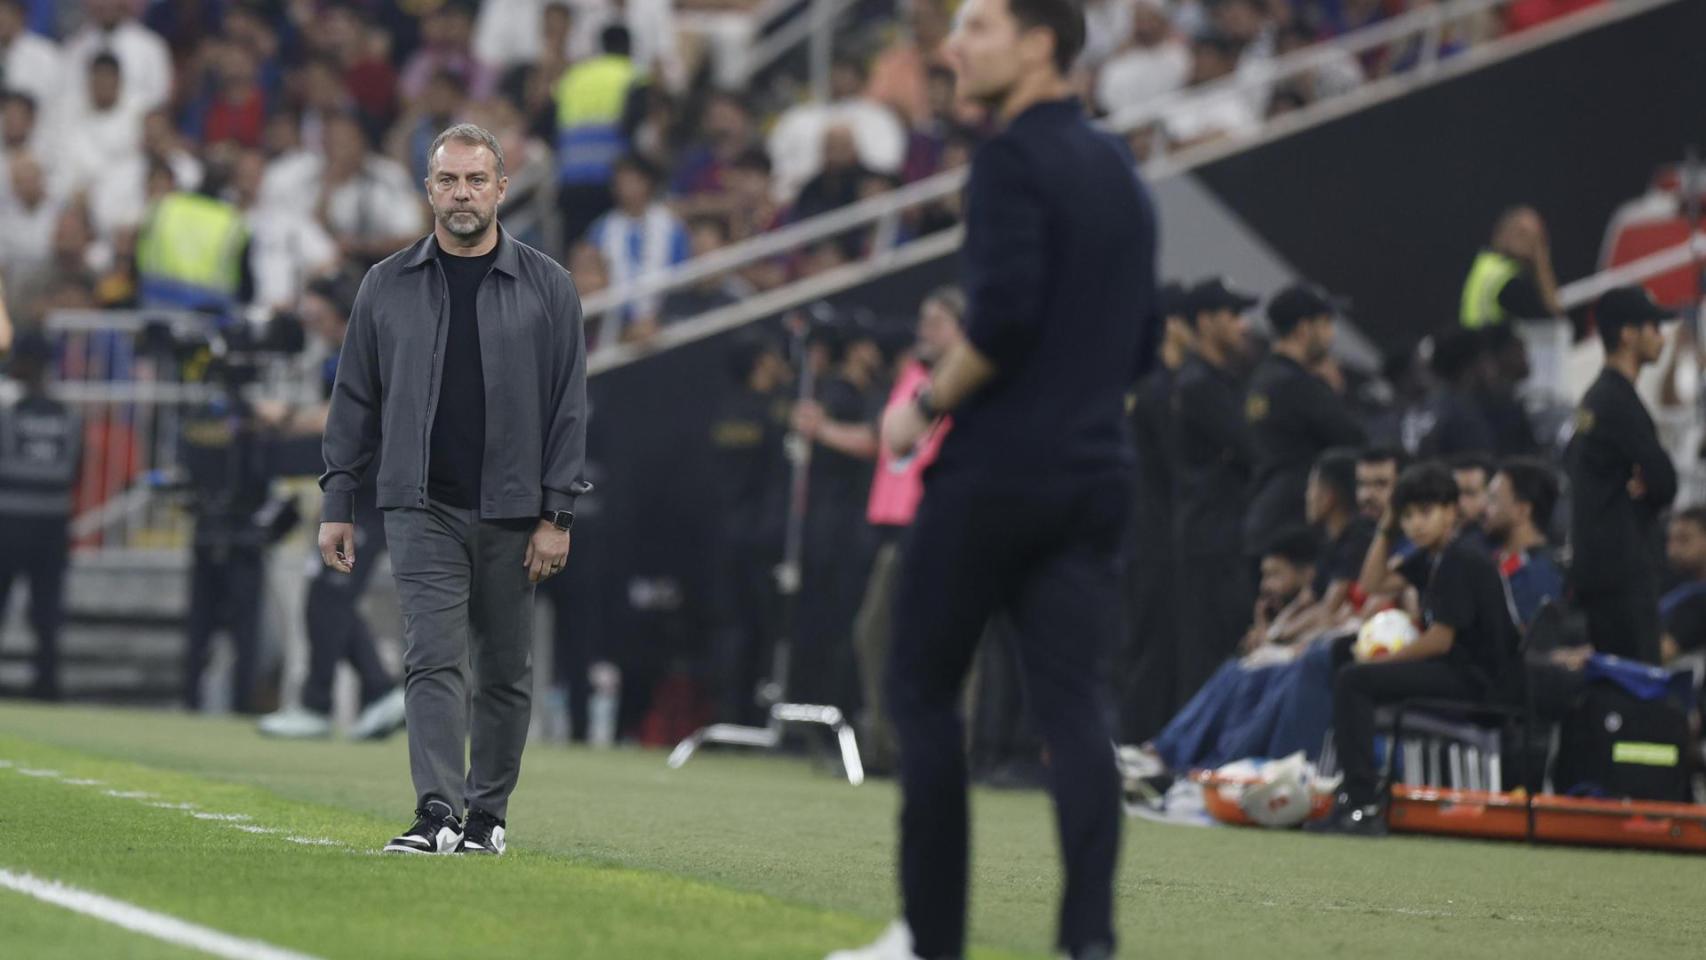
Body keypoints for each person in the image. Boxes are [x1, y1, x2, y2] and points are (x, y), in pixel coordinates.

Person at [833, 0, 1155, 953]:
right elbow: (1140, 339)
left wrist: (921, 407)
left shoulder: (1011, 158)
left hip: (996, 473)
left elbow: (1005, 318)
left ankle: (931, 941)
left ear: (1040, 42)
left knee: (922, 691)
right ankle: (1087, 942)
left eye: (977, 26)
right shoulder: (1120, 167)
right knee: (1076, 711)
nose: (953, 47)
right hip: (1098, 473)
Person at [319, 123, 590, 856]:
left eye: (476, 180)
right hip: (419, 504)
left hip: (514, 511)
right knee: (432, 658)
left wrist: (556, 513)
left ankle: (487, 816)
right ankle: (437, 810)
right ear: (427, 189)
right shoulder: (384, 285)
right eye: (448, 180)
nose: (462, 193)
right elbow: (354, 403)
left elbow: (569, 408)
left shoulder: (549, 286)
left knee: (505, 669)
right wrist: (337, 501)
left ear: (502, 188)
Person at [1315, 462, 1521, 836]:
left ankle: (1364, 802)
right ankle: (1352, 778)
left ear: (1451, 511)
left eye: (1425, 513)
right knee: (1342, 652)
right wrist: (1386, 526)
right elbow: (1372, 581)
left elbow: (1441, 639)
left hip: (1478, 679)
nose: (1416, 525)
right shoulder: (1431, 556)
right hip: (1452, 666)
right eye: (1408, 516)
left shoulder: (1463, 558)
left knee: (1354, 680)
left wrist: (1382, 661)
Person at [257, 272, 405, 741]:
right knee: (331, 594)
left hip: (375, 490)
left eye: (316, 308)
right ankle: (379, 692)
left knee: (329, 593)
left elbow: (350, 413)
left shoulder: (367, 347)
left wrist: (286, 417)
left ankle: (319, 703)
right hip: (358, 489)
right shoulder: (344, 352)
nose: (308, 317)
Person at [851, 288, 966, 774]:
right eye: (925, 319)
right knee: (873, 633)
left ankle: (949, 753)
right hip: (899, 526)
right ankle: (885, 746)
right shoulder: (915, 376)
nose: (926, 330)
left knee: (949, 644)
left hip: (946, 523)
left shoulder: (969, 376)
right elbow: (889, 440)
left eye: (937, 322)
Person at [1567, 286, 1678, 664]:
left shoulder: (1596, 398)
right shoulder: (1618, 402)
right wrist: (1644, 491)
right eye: (1654, 327)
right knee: (1636, 682)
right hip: (1622, 573)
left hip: (1602, 568)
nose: (1661, 337)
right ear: (1628, 334)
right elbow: (1665, 482)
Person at [1173, 276, 1257, 704]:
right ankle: (1200, 761)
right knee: (1209, 654)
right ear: (1205, 321)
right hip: (1210, 537)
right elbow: (1249, 449)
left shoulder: (1219, 381)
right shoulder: (1198, 384)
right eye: (1233, 315)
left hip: (1224, 531)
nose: (1243, 325)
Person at [1244, 282, 1366, 560]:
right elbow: (1353, 439)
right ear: (1303, 329)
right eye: (1325, 323)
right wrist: (1335, 394)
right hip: (1296, 529)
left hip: (1264, 519)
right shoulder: (1297, 386)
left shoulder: (1261, 380)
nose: (1332, 333)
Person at [1118, 281, 1191, 743]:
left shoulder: (1131, 380)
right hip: (1154, 532)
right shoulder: (1158, 388)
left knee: (1140, 643)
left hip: (1131, 529)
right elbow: (1173, 467)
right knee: (1153, 645)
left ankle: (1132, 740)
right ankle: (1137, 742)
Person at [706, 333, 791, 726]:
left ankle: (727, 711)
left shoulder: (722, 411)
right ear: (760, 363)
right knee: (759, 626)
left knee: (730, 626)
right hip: (761, 537)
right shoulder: (773, 415)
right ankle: (752, 717)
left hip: (722, 531)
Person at [0, 331, 78, 701]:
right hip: (52, 521)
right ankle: (47, 685)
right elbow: (73, 469)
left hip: (10, 522)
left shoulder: (10, 415)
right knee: (47, 611)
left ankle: (46, 683)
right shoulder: (68, 416)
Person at [585, 152, 689, 337]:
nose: (627, 188)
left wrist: (656, 318)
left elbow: (682, 275)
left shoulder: (672, 226)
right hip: (615, 327)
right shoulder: (600, 230)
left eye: (633, 181)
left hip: (665, 321)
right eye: (621, 182)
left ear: (647, 183)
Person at [553, 24, 639, 250]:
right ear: (629, 46)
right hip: (609, 181)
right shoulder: (632, 74)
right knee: (607, 250)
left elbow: (551, 125)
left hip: (570, 179)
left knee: (575, 254)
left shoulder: (573, 77)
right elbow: (639, 128)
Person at [1483, 457, 1564, 627]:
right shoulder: (1494, 556)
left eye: (1493, 499)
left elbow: (1532, 646)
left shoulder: (1539, 573)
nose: (1484, 508)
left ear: (1522, 510)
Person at [1460, 206, 1562, 328]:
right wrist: (1542, 264)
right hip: (1491, 345)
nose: (1530, 241)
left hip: (1480, 343)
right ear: (1503, 233)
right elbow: (1552, 323)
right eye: (1522, 233)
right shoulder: (1506, 282)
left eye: (1536, 236)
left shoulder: (1486, 265)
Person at [1661, 507, 1706, 661]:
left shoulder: (1700, 600)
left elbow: (1661, 652)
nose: (1672, 551)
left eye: (1684, 539)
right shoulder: (1674, 584)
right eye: (1670, 540)